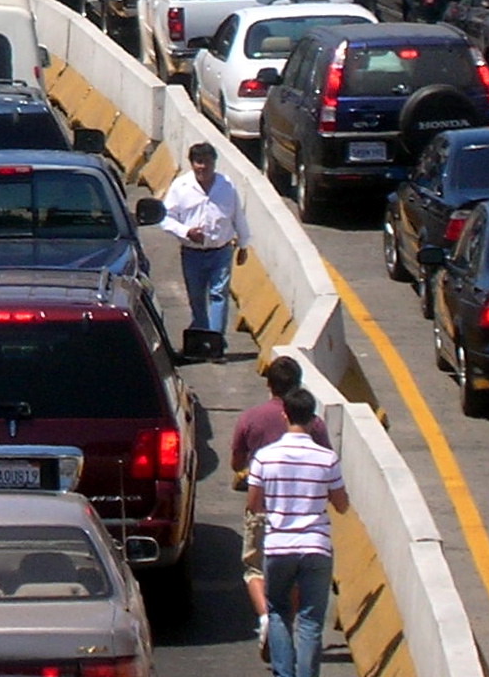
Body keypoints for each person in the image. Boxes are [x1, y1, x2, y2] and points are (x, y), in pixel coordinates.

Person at [248, 386, 347, 677]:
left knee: (278, 612)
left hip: (279, 547)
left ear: (284, 415)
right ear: (313, 418)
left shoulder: (265, 457)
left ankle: (283, 672)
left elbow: (253, 504)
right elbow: (341, 505)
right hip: (316, 547)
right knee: (311, 621)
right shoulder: (326, 459)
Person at [232, 357, 329, 645]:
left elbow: (236, 461)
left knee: (255, 570)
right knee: (299, 574)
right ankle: (284, 622)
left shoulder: (250, 419)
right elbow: (325, 461)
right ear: (298, 385)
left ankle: (266, 619)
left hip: (262, 507)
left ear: (268, 385)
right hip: (303, 512)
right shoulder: (314, 424)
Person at [162, 140, 243, 360]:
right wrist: (187, 232)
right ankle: (202, 337)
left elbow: (238, 217)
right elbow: (165, 219)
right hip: (192, 254)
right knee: (197, 298)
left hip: (220, 251)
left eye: (207, 162)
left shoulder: (226, 186)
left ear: (214, 163)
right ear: (192, 164)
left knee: (219, 295)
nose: (203, 167)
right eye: (198, 162)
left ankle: (215, 344)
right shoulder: (180, 187)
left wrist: (244, 244)